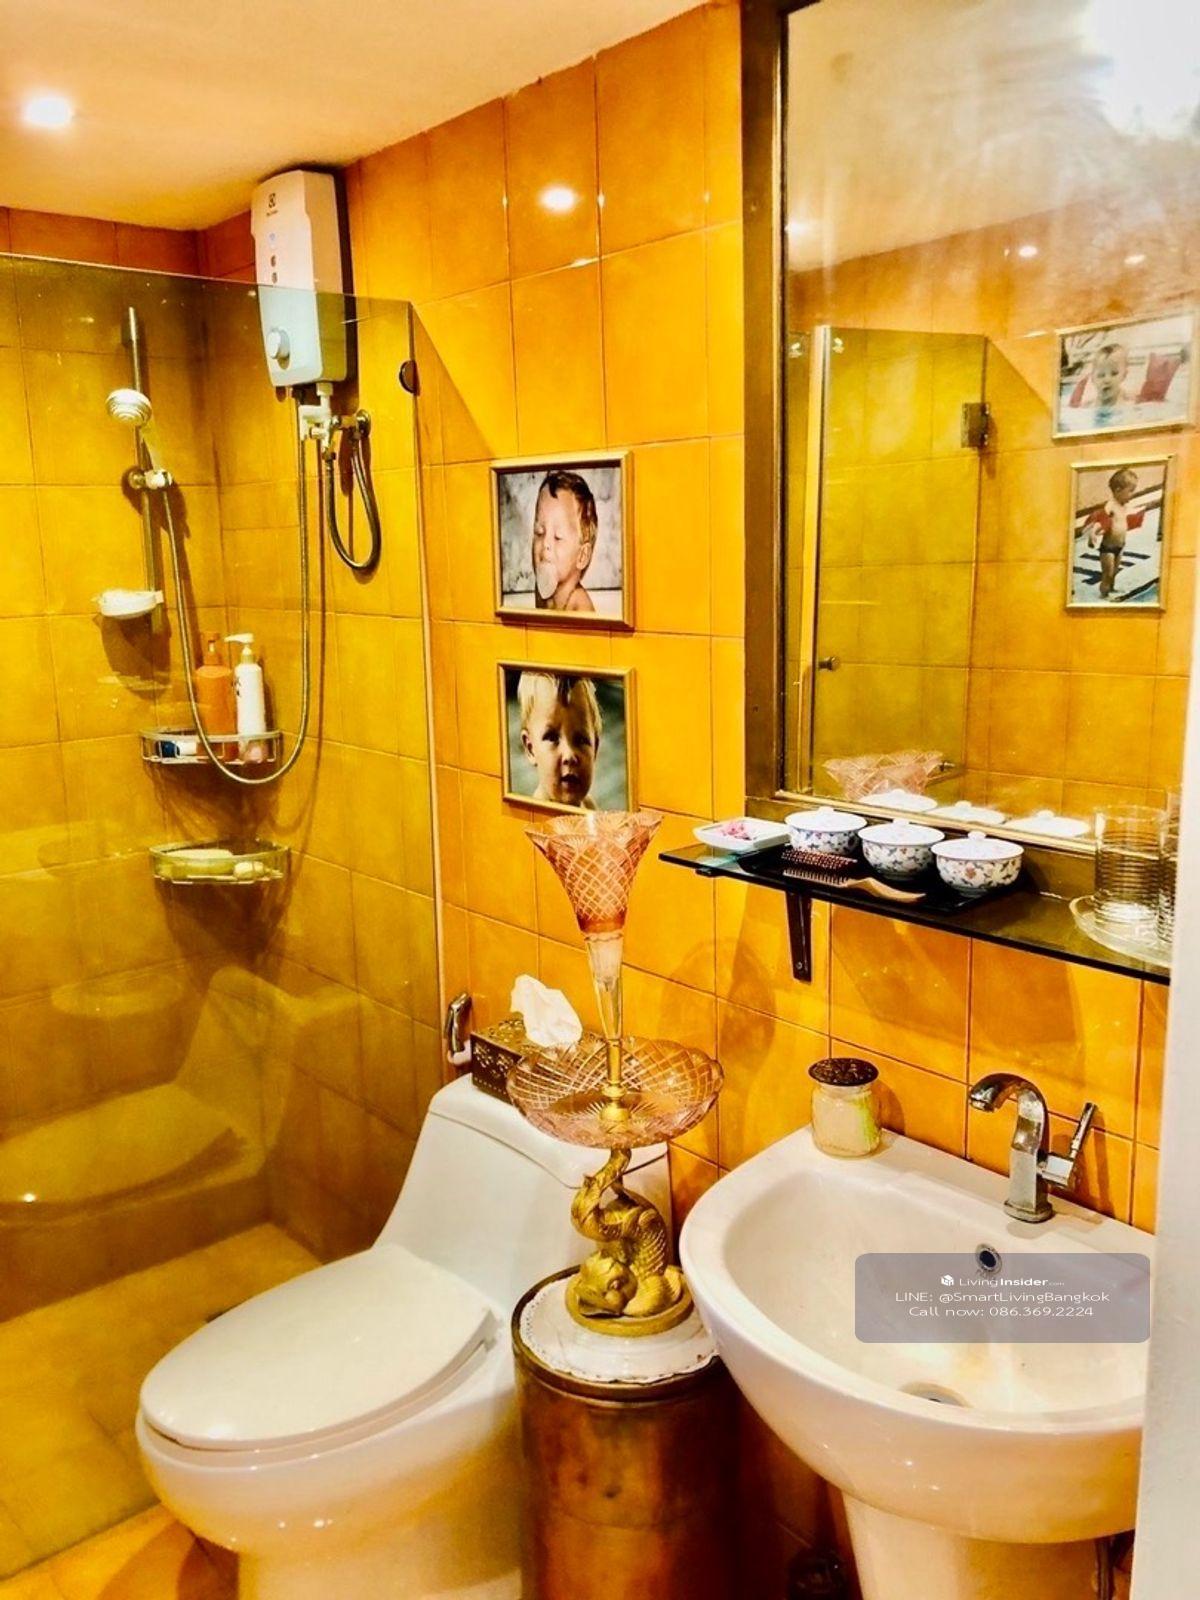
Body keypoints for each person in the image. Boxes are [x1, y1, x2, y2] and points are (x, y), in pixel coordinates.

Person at [517, 671, 602, 807]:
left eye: (581, 740)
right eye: (552, 737)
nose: (569, 755)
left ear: (595, 748)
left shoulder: (588, 805)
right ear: (530, 748)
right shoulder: (537, 813)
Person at [531, 471, 598, 613]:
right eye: (539, 532)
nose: (545, 543)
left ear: (582, 556)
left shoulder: (581, 608)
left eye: (558, 537)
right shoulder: (542, 590)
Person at [1081, 466, 1146, 600]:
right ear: (1118, 490)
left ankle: (1111, 588)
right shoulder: (1111, 505)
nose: (1132, 494)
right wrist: (1093, 533)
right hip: (1108, 548)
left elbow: (1126, 520)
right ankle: (1104, 594)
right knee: (1108, 574)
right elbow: (1101, 520)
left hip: (1120, 546)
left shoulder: (1124, 506)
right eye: (1130, 491)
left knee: (1115, 572)